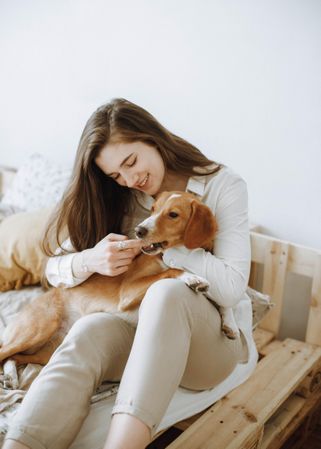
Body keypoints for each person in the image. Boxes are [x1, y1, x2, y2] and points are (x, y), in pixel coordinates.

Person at [2, 98, 256, 449]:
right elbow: (53, 268)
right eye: (116, 174)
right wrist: (91, 259)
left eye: (131, 161)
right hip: (136, 334)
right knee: (89, 327)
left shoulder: (223, 185)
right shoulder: (119, 195)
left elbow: (229, 289)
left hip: (208, 344)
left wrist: (168, 246)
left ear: (153, 138)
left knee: (168, 292)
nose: (130, 179)